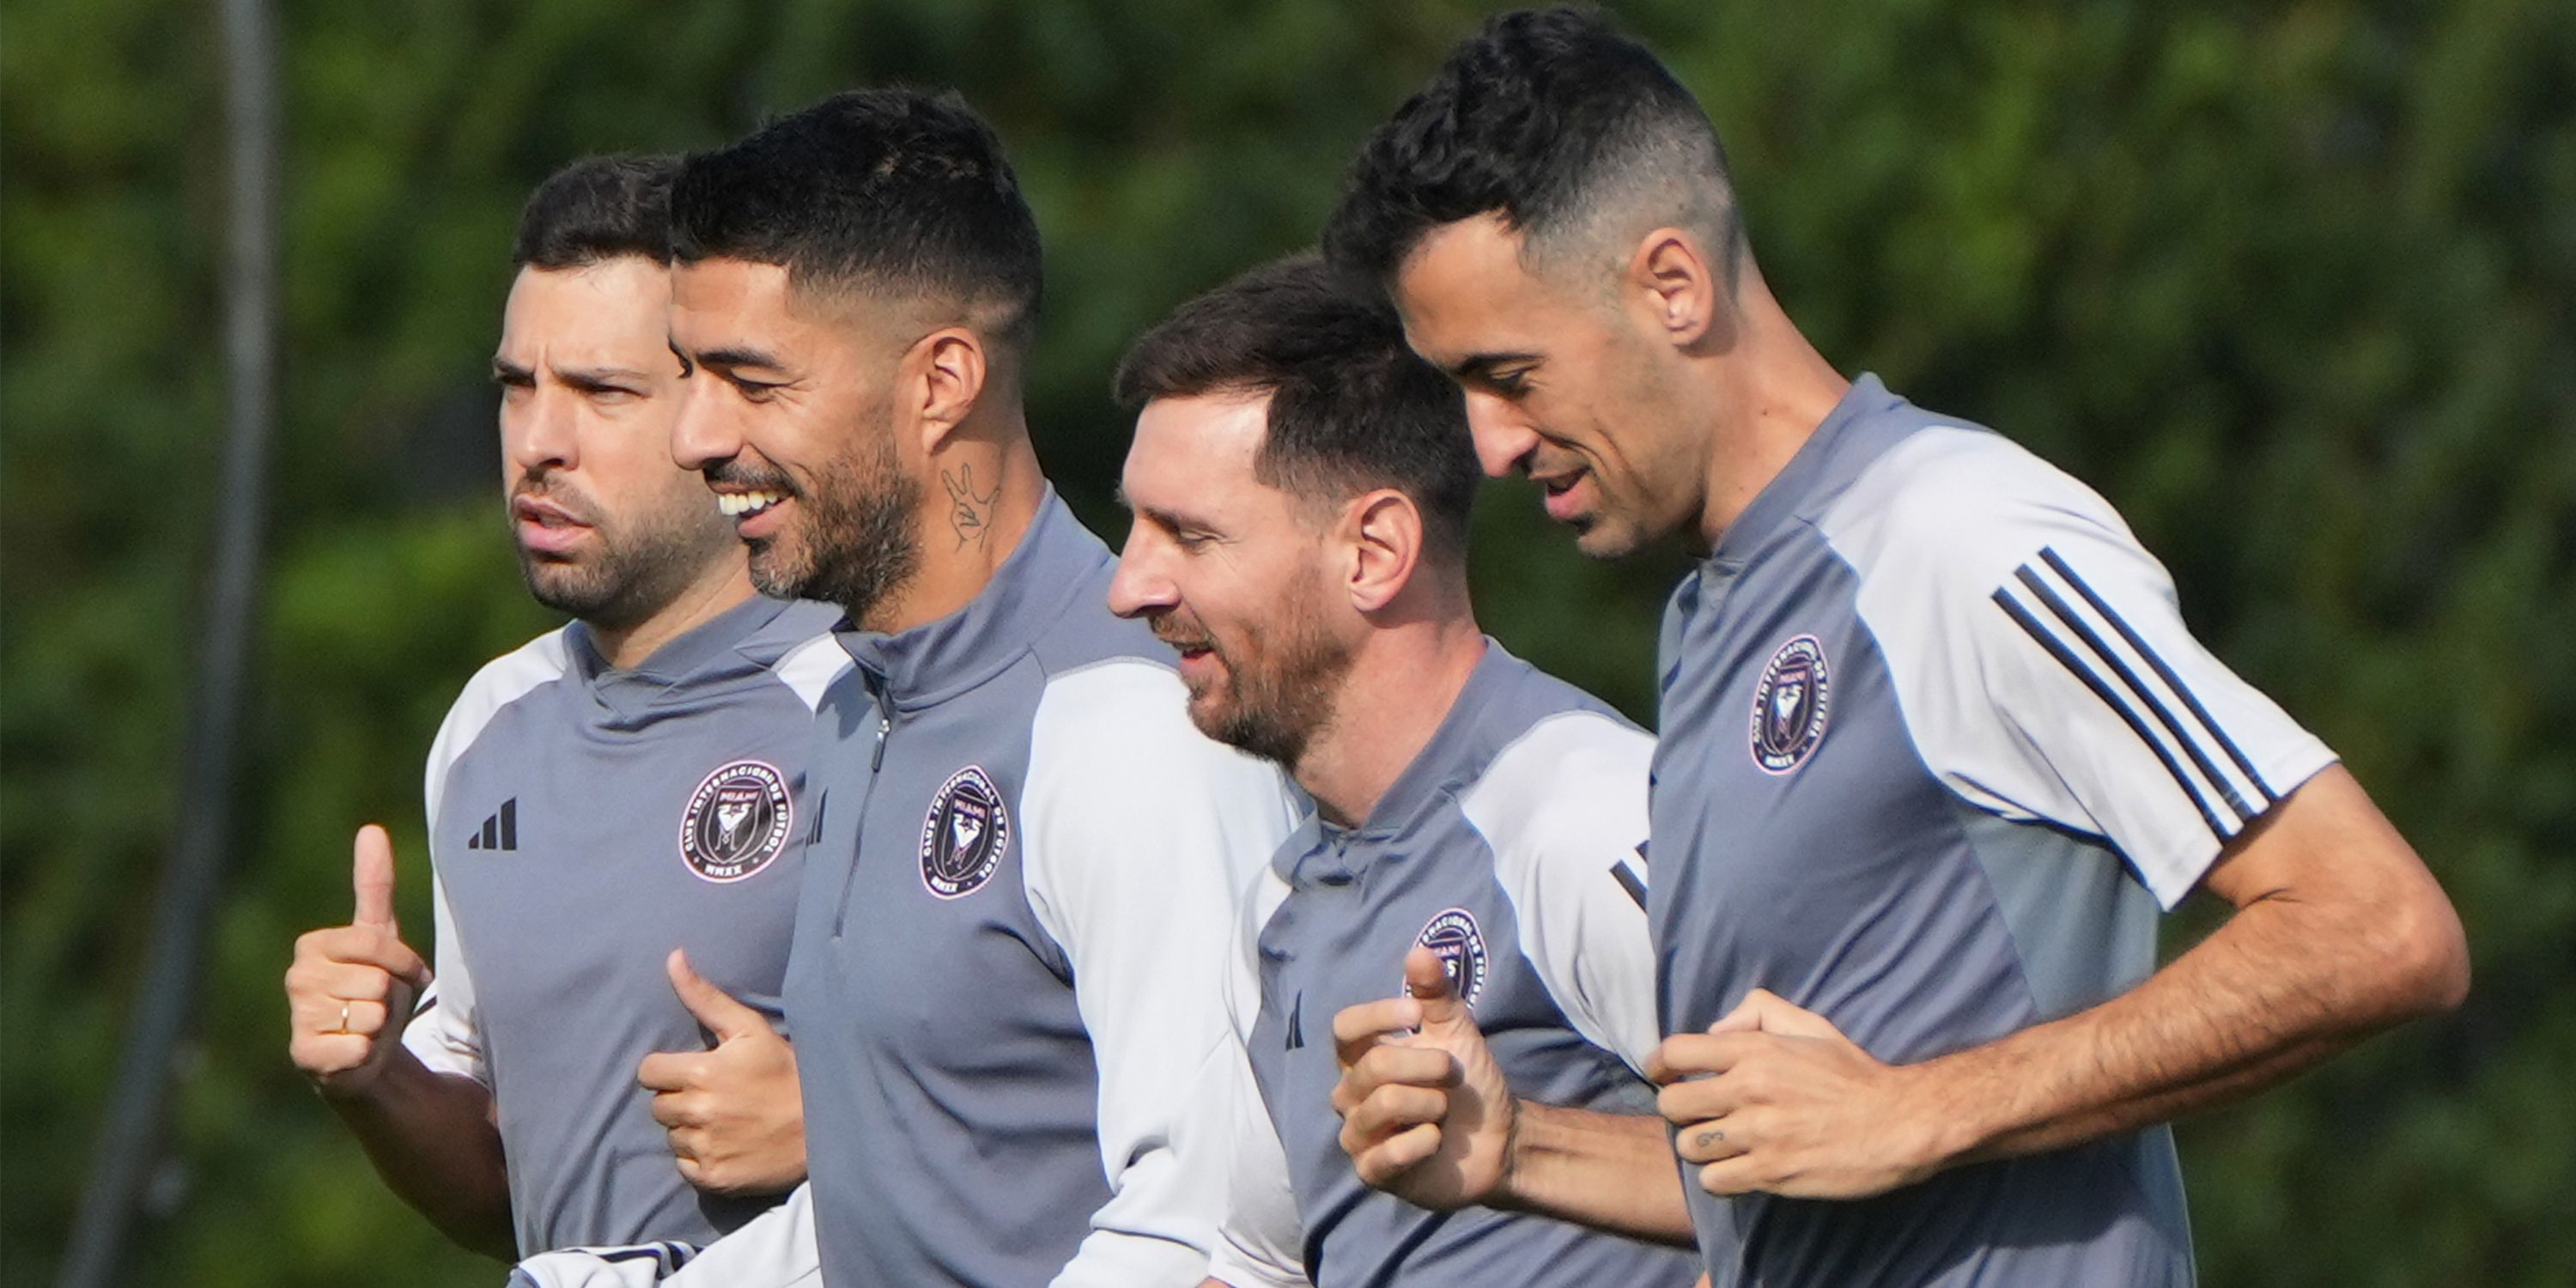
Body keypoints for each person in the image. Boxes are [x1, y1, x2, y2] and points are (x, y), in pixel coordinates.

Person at [1317, 8, 2471, 1286]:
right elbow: (1798, 1171)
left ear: (1673, 287)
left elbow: (2376, 926)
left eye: (1510, 375)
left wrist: (1923, 1109)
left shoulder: (1952, 534)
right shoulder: (1714, 618)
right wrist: (1523, 1146)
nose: (1486, 446)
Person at [515, 88, 1304, 1288]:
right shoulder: (853, 706)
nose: (697, 437)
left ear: (940, 382)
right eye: (687, 374)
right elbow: (915, 1192)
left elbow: (1219, 1235)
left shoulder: (1133, 727)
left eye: (752, 380)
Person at [283, 155, 842, 1262]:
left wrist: (841, 1124)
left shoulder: (868, 696)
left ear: (722, 407)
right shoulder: (495, 723)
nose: (539, 441)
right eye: (516, 386)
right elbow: (509, 1186)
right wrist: (375, 1080)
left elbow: (1075, 1111)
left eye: (601, 392)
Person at [1106, 253, 1702, 1288]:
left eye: (1188, 535)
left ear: (1374, 551)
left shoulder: (1580, 814)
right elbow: (1258, 1266)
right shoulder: (1286, 895)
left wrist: (1532, 1148)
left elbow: (1825, 1184)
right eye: (1134, 526)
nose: (1128, 586)